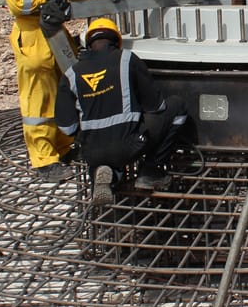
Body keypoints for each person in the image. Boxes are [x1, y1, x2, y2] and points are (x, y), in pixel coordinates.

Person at [2, 0, 116, 183]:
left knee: (63, 93)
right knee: (38, 100)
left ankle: (63, 147)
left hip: (56, 33)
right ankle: (43, 158)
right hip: (33, 37)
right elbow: (18, 4)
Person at [54, 18, 194, 192]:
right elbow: (156, 106)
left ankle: (106, 173)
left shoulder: (71, 74)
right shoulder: (126, 59)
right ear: (116, 41)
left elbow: (67, 127)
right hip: (129, 145)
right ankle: (150, 170)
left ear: (88, 45)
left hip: (92, 151)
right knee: (177, 106)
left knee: (103, 153)